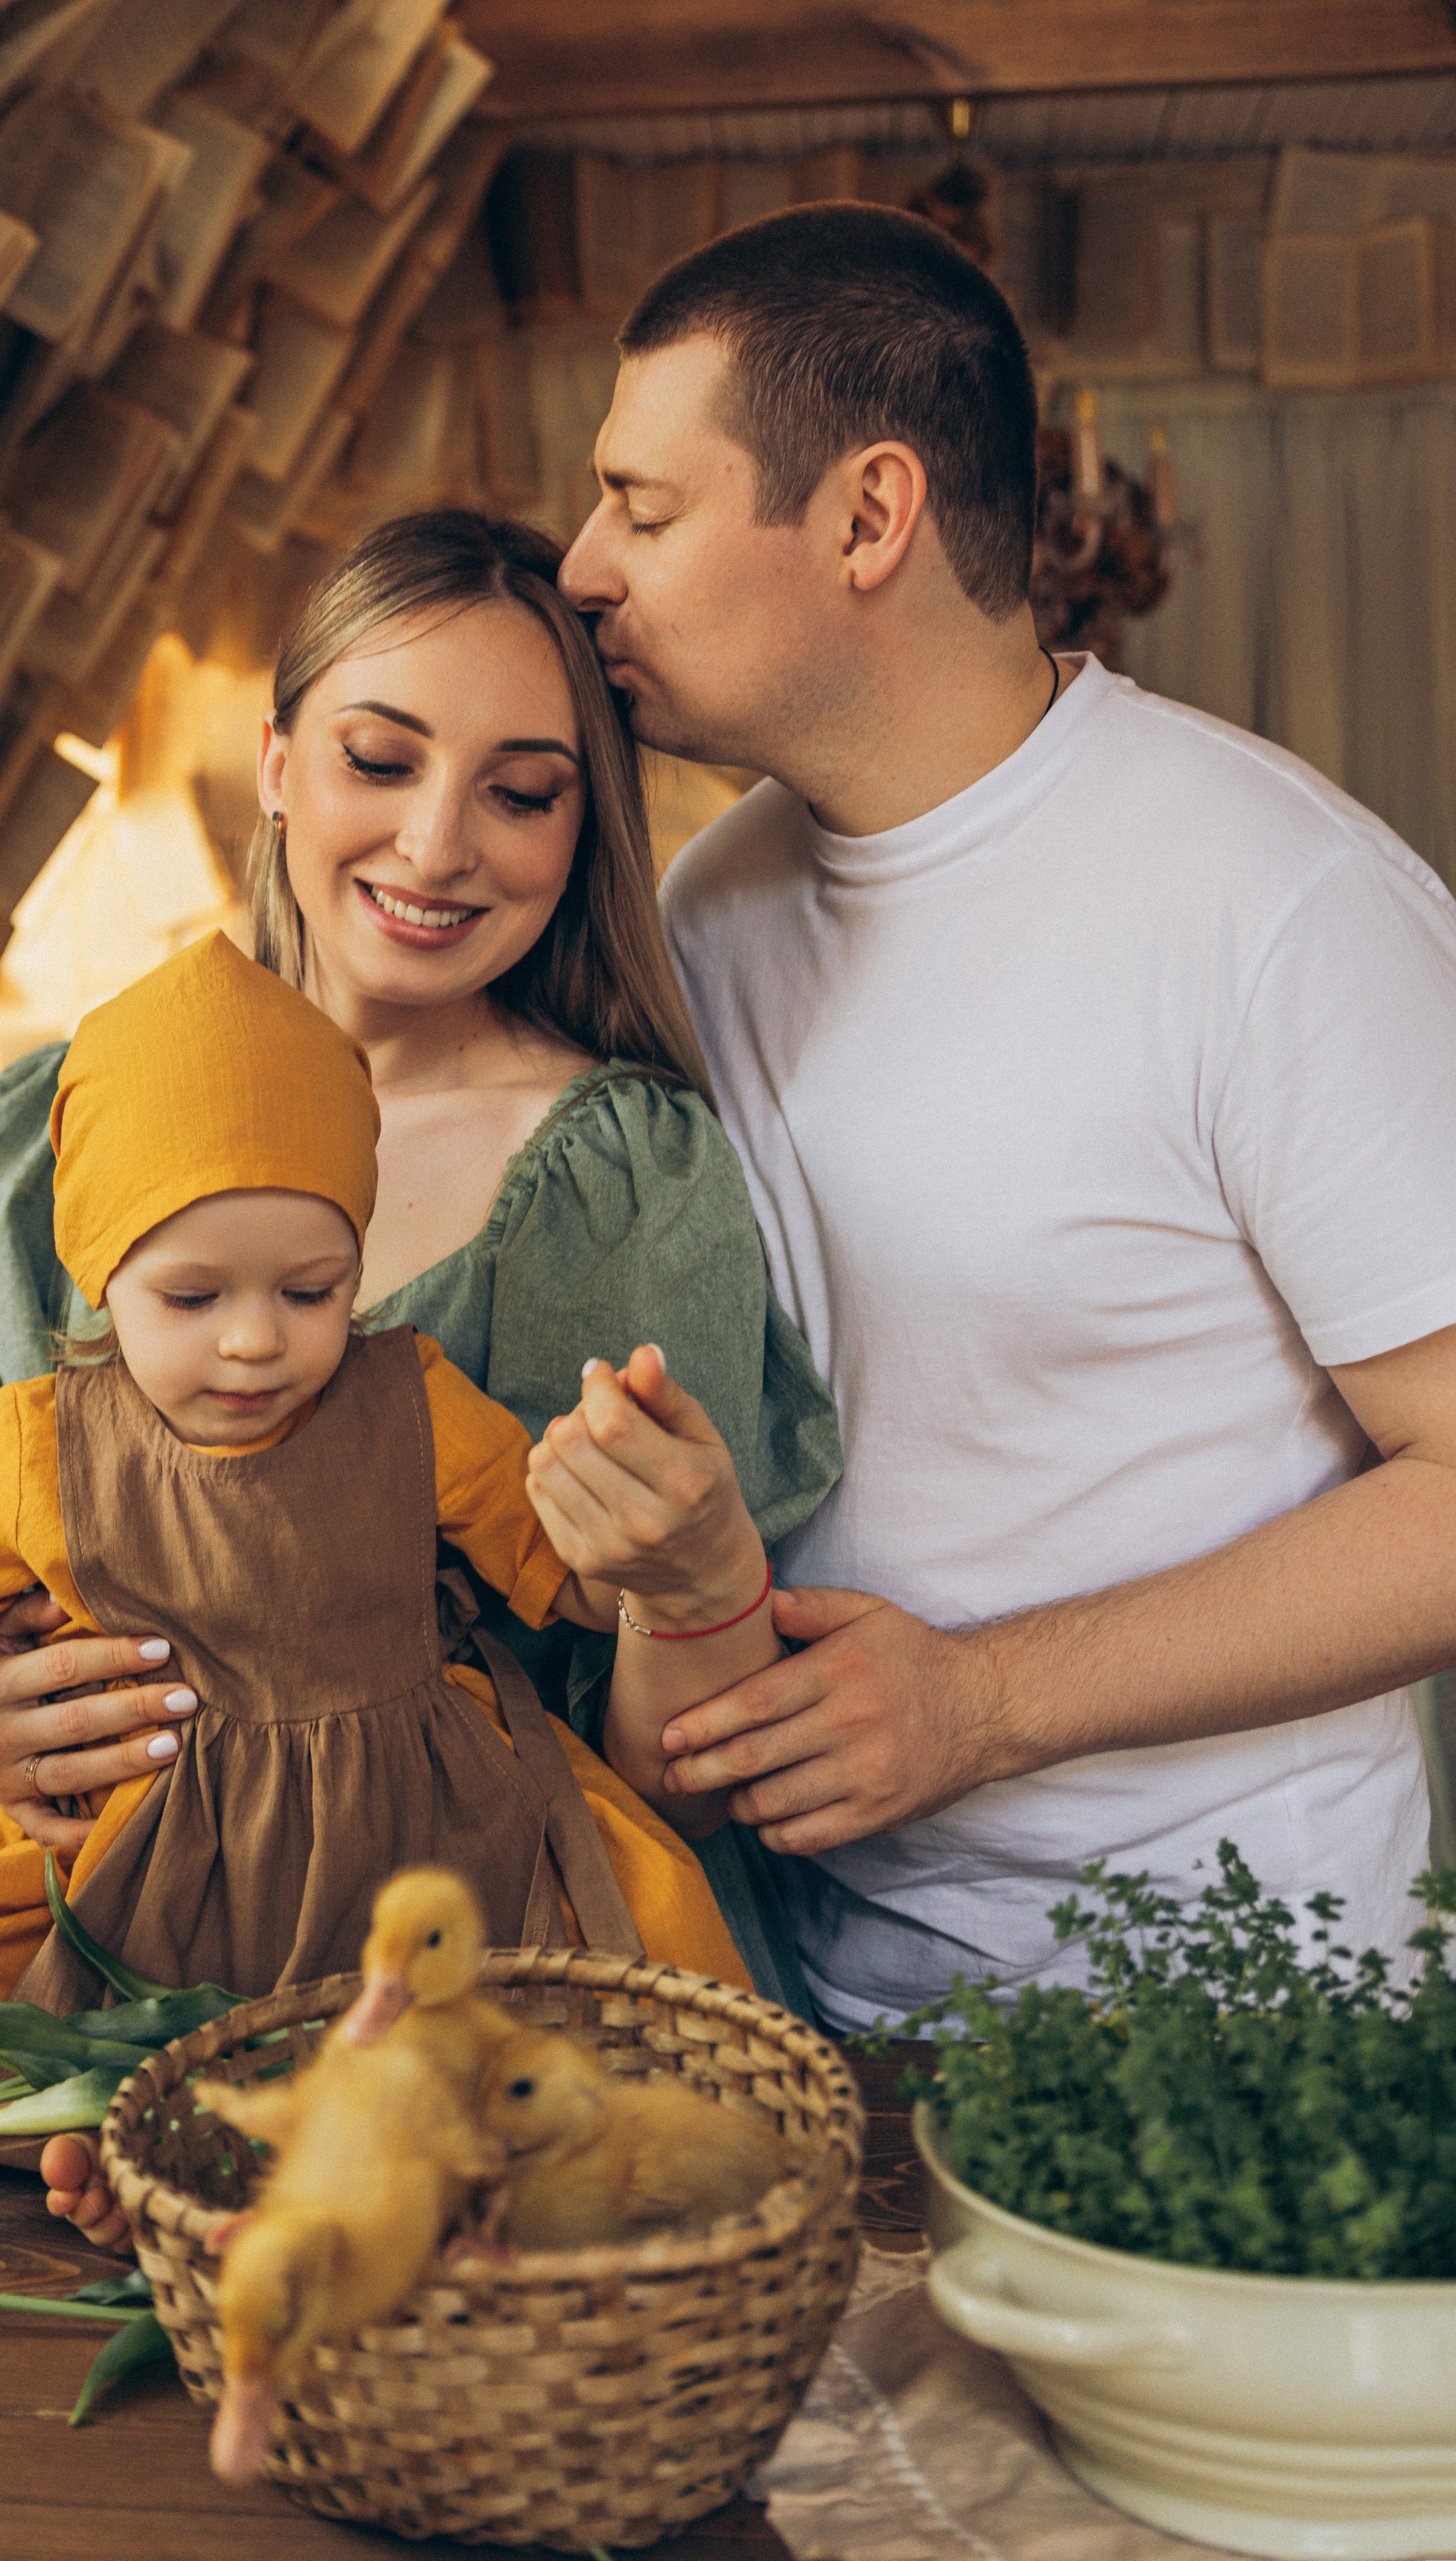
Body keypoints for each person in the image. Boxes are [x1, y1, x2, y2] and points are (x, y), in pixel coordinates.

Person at [554, 199, 1456, 2030]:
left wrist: (983, 1702)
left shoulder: (1274, 903)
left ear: (868, 517)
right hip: (818, 2008)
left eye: (642, 509)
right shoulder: (702, 913)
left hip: (1239, 2016)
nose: (581, 565)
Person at [0, 510, 841, 2067]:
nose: (438, 845)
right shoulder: (64, 1121)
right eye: (381, 759)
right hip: (152, 1926)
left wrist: (691, 1588)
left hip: (502, 1946)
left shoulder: (620, 1173)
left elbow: (667, 1770)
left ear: (580, 832)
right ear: (281, 763)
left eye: (518, 793)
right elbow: (30, 1534)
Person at [0, 932, 784, 2127]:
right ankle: (121, 2138)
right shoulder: (41, 1446)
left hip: (428, 1850)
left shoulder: (415, 1400)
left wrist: (647, 1523)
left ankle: (328, 2149)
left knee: (646, 2017)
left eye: (311, 1291)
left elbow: (577, 1586)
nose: (254, 1340)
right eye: (192, 1297)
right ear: (99, 1269)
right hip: (152, 1901)